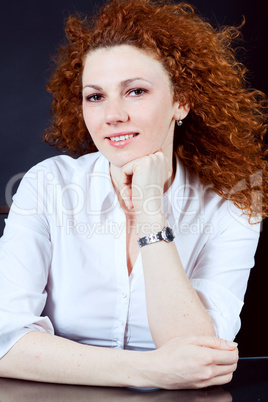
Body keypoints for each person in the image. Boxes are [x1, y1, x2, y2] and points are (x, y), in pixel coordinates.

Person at [0, 0, 267, 390]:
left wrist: (150, 211)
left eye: (136, 91)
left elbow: (200, 356)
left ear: (182, 101)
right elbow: (3, 340)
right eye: (95, 96)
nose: (112, 115)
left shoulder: (236, 200)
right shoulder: (48, 185)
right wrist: (149, 370)